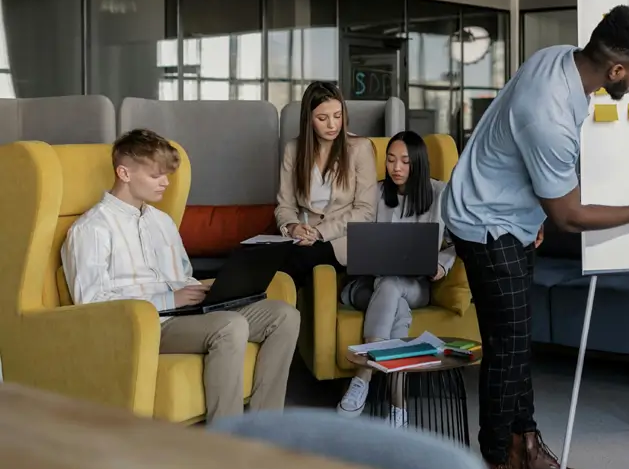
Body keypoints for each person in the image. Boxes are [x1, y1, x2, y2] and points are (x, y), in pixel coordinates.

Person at [443, 5, 629, 469]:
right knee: (506, 348)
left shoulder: (559, 58)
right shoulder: (549, 112)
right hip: (485, 223)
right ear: (616, 70)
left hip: (510, 216)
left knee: (517, 342)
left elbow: (529, 171)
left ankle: (525, 444)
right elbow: (570, 217)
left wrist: (534, 215)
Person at [62, 129, 301, 423]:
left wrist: (214, 289)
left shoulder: (161, 221)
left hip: (187, 313)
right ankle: (229, 440)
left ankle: (266, 427)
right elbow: (91, 302)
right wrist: (168, 298)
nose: (165, 182)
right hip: (147, 326)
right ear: (124, 173)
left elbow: (182, 275)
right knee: (229, 325)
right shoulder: (92, 229)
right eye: (156, 175)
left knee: (284, 315)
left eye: (167, 174)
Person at [336, 130, 455, 427]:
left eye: (404, 161)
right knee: (392, 297)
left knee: (393, 287)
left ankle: (363, 376)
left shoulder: (440, 194)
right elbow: (352, 234)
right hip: (368, 285)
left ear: (418, 163)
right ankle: (398, 405)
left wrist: (441, 266)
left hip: (416, 285)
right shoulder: (374, 193)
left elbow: (458, 241)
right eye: (390, 160)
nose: (396, 168)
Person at [276, 81, 378, 290]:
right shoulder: (293, 150)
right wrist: (293, 227)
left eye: (338, 116)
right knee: (256, 256)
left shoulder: (360, 148)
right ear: (309, 120)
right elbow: (284, 205)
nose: (333, 125)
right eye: (323, 118)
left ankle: (277, 319)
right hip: (303, 238)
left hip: (344, 238)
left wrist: (320, 232)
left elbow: (366, 211)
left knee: (296, 260)